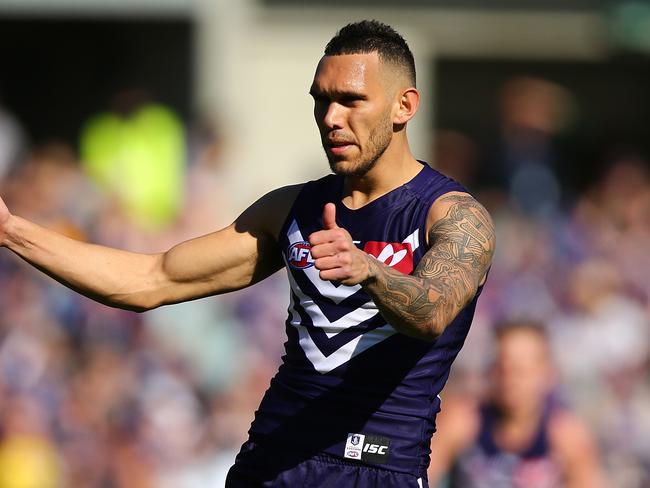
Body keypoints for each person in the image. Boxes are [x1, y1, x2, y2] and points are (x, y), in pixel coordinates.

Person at [0, 20, 495, 487]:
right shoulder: (292, 209)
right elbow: (149, 279)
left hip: (375, 467)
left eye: (351, 101)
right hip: (272, 459)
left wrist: (368, 269)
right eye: (321, 101)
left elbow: (433, 310)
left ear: (404, 106)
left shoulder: (451, 215)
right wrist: (13, 231)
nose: (331, 118)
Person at [428, 321, 605, 488]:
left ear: (548, 373)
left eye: (521, 371)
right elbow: (420, 475)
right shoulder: (463, 420)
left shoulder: (567, 435)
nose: (510, 380)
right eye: (503, 368)